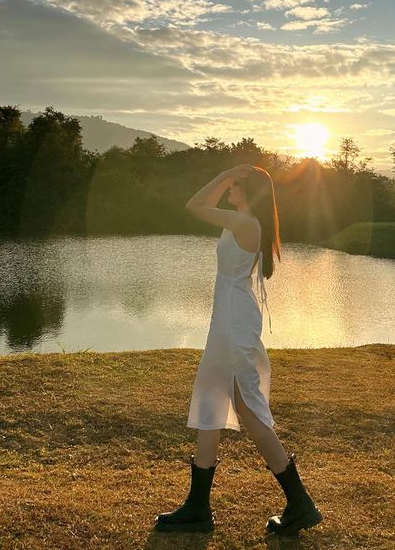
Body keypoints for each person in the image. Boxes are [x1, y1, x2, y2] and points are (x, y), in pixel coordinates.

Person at [155, 164, 323, 536]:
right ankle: (198, 507)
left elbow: (194, 206)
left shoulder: (245, 224)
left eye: (236, 185)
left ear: (247, 191)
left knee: (246, 406)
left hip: (233, 321)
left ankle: (300, 502)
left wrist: (221, 176)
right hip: (229, 317)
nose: (231, 186)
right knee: (213, 399)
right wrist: (231, 177)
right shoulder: (243, 220)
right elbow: (201, 208)